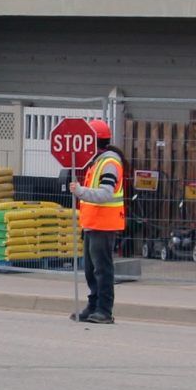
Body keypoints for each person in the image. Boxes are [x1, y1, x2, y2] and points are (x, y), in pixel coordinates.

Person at [72, 118, 125, 323]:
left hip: (104, 224)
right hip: (92, 223)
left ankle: (104, 310)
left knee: (102, 269)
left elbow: (105, 194)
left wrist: (80, 191)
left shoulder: (109, 163)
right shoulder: (97, 162)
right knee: (90, 269)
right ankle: (93, 306)